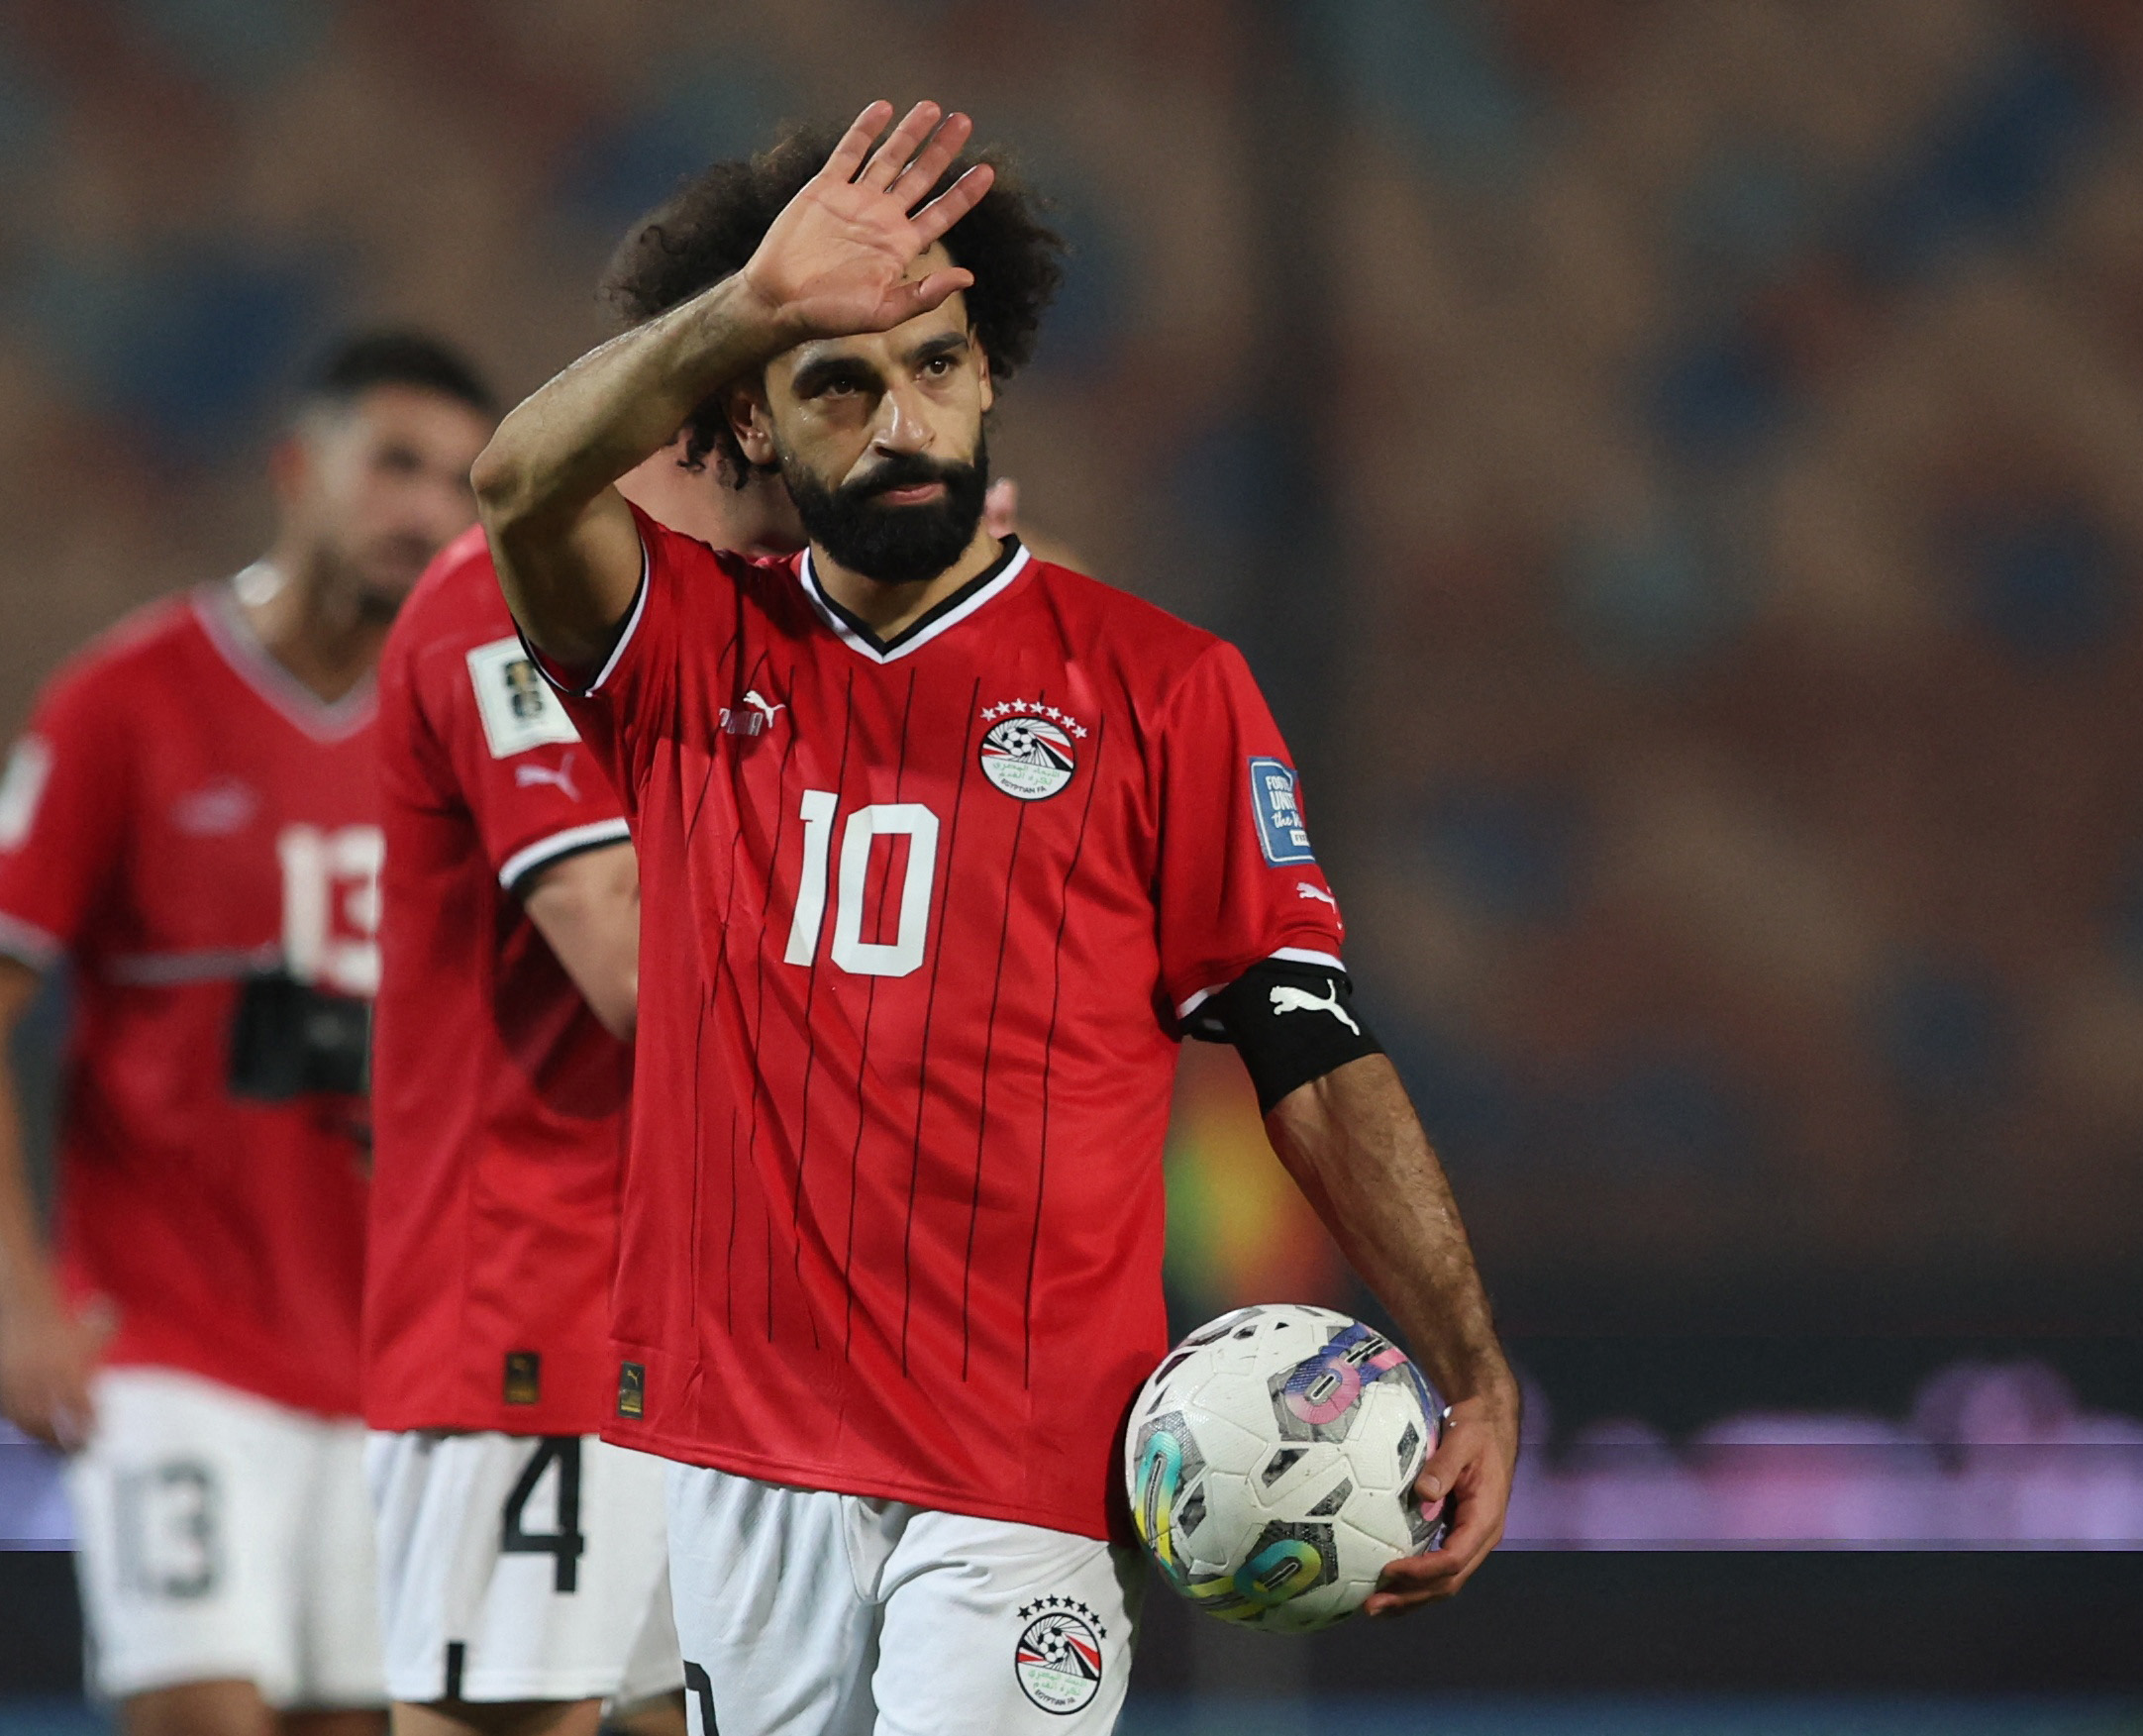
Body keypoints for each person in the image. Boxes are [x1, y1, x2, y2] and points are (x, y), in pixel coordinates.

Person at [469, 103, 1520, 1733]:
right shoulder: (686, 654)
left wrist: (1469, 1360)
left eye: (940, 367)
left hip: (1021, 1473)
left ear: (987, 379)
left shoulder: (1164, 688)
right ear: (747, 418)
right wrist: (753, 301)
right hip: (739, 1456)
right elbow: (521, 483)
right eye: (839, 379)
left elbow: (1307, 1042)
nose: (903, 419)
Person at [0, 332, 495, 1736]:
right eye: (395, 465)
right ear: (298, 471)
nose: (425, 510)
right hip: (171, 1341)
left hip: (400, 1354)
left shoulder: (481, 727)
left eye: (462, 484)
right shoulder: (127, 700)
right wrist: (19, 1295)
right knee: (200, 1714)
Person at [362, 434, 799, 1736]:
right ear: (739, 410)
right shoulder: (497, 599)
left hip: (693, 1320)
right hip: (532, 1300)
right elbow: (623, 958)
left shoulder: (750, 610)